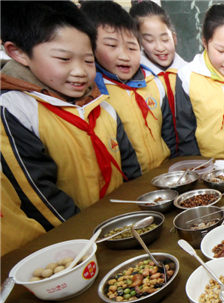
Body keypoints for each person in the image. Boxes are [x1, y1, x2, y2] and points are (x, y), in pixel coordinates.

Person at [0, 1, 141, 234]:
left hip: (123, 224)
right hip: (77, 236)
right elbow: (39, 196)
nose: (80, 71)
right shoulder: (14, 110)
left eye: (88, 61)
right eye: (64, 59)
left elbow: (130, 169)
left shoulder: (103, 107)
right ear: (19, 53)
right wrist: (90, 236)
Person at [81, 1, 176, 174]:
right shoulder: (94, 93)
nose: (124, 56)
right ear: (90, 47)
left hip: (165, 173)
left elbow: (168, 132)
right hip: (127, 183)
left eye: (132, 47)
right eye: (112, 46)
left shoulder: (154, 83)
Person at [176, 4, 224, 158]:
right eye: (220, 51)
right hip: (204, 164)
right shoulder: (188, 76)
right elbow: (186, 131)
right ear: (205, 42)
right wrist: (196, 167)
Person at [130, 0, 188, 154]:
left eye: (165, 39)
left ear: (174, 38)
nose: (160, 47)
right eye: (149, 40)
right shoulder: (137, 79)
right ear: (138, 42)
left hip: (193, 154)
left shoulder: (189, 73)